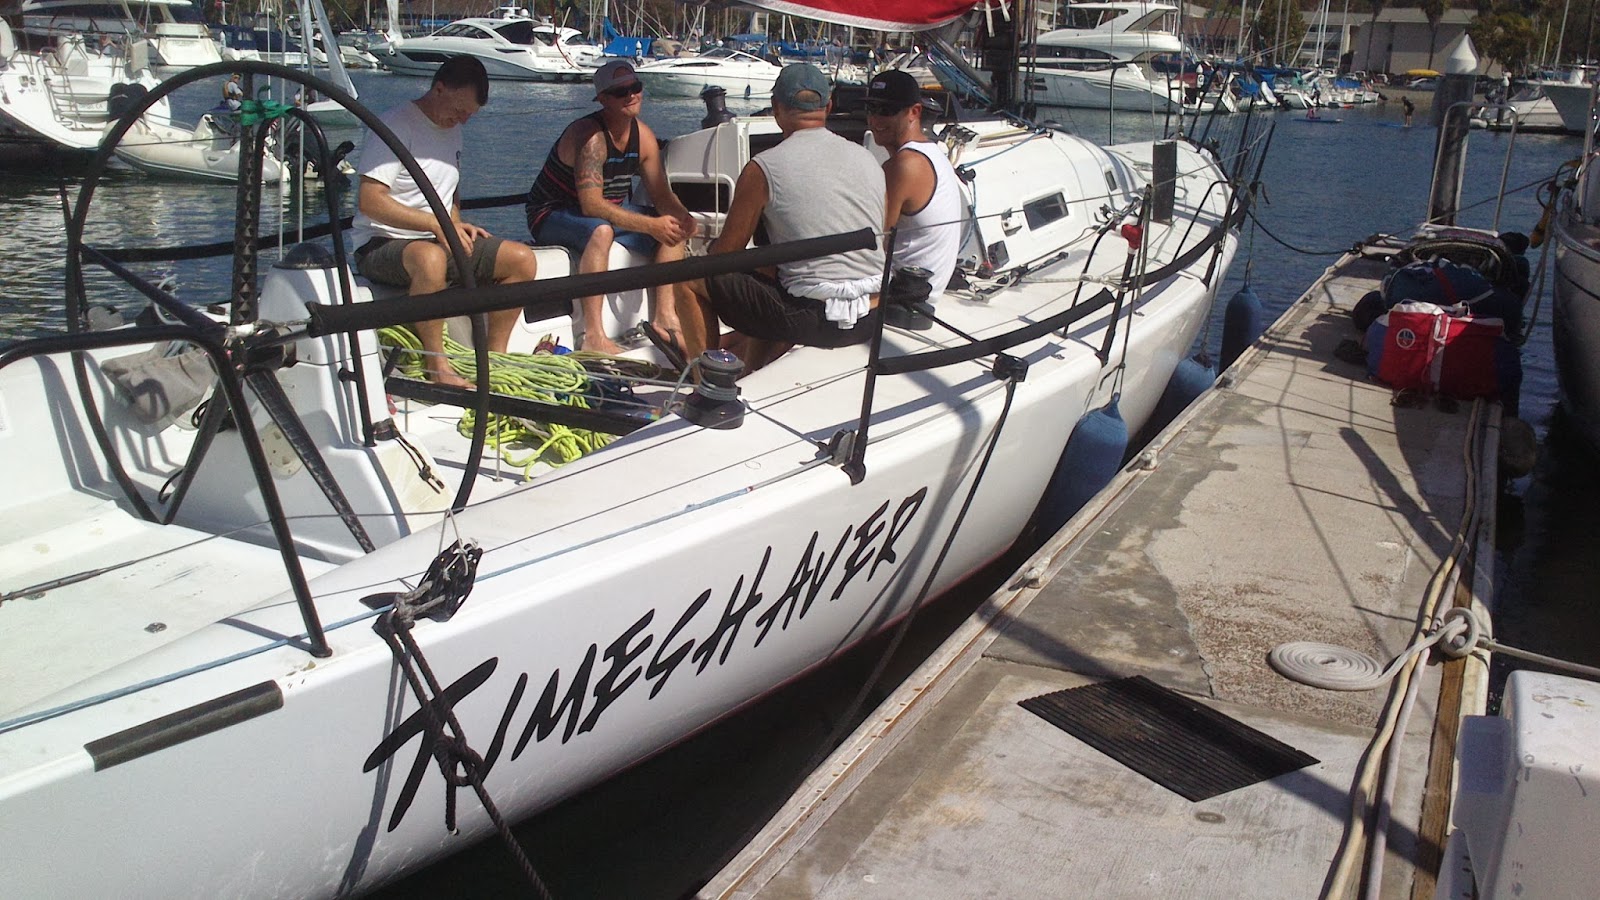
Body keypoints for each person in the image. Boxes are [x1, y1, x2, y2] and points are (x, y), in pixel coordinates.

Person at [677, 63, 886, 370]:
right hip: (873, 314)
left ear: (776, 109)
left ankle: (706, 387)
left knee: (689, 275)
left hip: (818, 322)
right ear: (828, 106)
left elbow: (726, 255)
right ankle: (753, 369)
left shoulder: (764, 167)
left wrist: (710, 251)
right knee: (769, 276)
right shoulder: (867, 158)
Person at [351, 56, 537, 387]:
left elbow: (448, 192)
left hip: (437, 235)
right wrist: (436, 225)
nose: (462, 120)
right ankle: (436, 365)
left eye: (469, 115)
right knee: (431, 258)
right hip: (382, 243)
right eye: (460, 110)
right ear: (439, 88)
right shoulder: (395, 125)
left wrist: (455, 222)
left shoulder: (452, 129)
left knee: (521, 260)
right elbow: (370, 201)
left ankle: (495, 360)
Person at [525, 60, 695, 356]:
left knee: (673, 229)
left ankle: (665, 318)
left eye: (635, 87)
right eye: (620, 92)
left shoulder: (644, 137)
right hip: (551, 213)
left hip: (601, 213)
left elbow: (661, 195)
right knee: (601, 231)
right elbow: (590, 205)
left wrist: (682, 216)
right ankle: (593, 334)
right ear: (602, 99)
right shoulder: (590, 138)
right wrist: (649, 225)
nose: (631, 95)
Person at [866, 70, 961, 305]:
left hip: (902, 300)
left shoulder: (903, 165)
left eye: (887, 110)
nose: (875, 119)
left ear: (914, 112)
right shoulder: (932, 153)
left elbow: (870, 244)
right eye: (872, 108)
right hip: (923, 292)